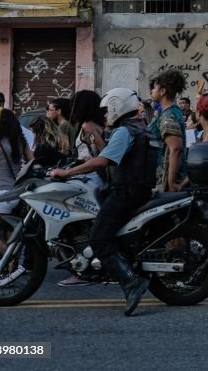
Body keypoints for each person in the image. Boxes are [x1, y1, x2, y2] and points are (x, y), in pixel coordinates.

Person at [49, 89, 156, 316]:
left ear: (118, 107)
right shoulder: (142, 128)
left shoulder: (124, 132)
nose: (105, 115)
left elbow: (102, 161)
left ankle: (131, 282)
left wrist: (67, 173)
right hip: (140, 190)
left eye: (108, 110)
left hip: (125, 192)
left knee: (98, 239)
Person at [149, 70, 187, 192]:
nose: (151, 91)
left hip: (166, 180)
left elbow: (175, 149)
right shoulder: (172, 112)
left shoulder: (168, 116)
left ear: (163, 91)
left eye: (154, 88)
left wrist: (171, 182)